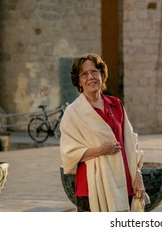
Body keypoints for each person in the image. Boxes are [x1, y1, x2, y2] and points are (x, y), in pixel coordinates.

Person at [60, 53, 146, 212]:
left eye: (94, 71)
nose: (90, 77)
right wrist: (101, 150)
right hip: (91, 187)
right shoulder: (73, 113)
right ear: (78, 81)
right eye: (84, 74)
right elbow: (69, 154)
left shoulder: (116, 104)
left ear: (102, 74)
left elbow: (131, 143)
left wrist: (137, 175)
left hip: (123, 182)